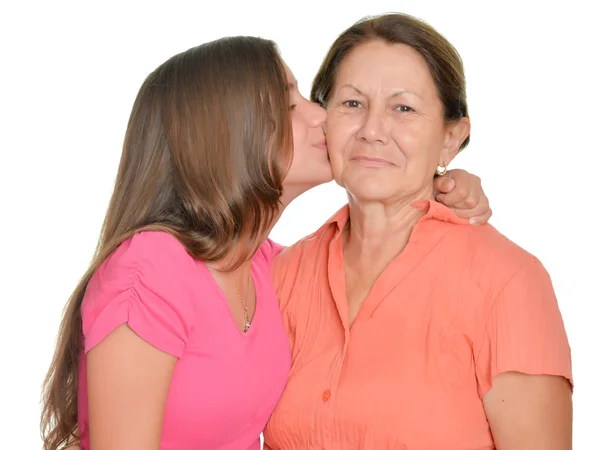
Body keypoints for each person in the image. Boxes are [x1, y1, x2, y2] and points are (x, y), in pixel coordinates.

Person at [40, 35, 491, 450]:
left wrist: (440, 181)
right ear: (225, 134)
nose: (321, 114)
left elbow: (374, 256)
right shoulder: (152, 268)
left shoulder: (266, 266)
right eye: (288, 104)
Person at [264, 13, 572, 450]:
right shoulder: (283, 273)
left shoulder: (508, 282)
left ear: (451, 138)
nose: (372, 130)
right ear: (323, 118)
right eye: (352, 104)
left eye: (403, 108)